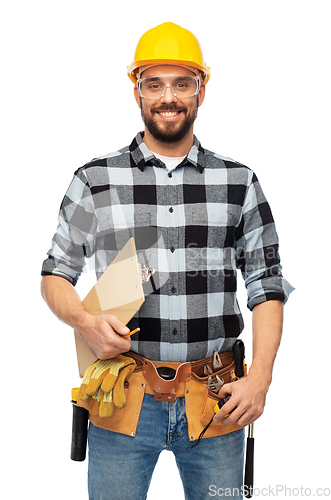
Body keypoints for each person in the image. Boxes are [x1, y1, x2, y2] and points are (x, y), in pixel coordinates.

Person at [41, 22, 293, 500]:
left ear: (202, 88)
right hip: (121, 398)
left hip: (217, 402)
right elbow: (56, 273)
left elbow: (267, 284)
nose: (168, 97)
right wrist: (84, 321)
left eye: (182, 83)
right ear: (136, 90)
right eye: (153, 83)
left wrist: (260, 377)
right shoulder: (95, 181)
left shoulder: (239, 183)